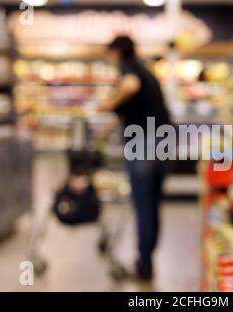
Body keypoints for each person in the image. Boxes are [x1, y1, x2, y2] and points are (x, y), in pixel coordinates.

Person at [99, 35, 171, 281]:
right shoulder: (146, 70)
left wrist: (108, 104)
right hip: (162, 141)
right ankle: (147, 261)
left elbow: (130, 87)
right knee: (151, 205)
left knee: (142, 205)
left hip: (143, 143)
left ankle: (144, 265)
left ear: (118, 51)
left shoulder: (128, 67)